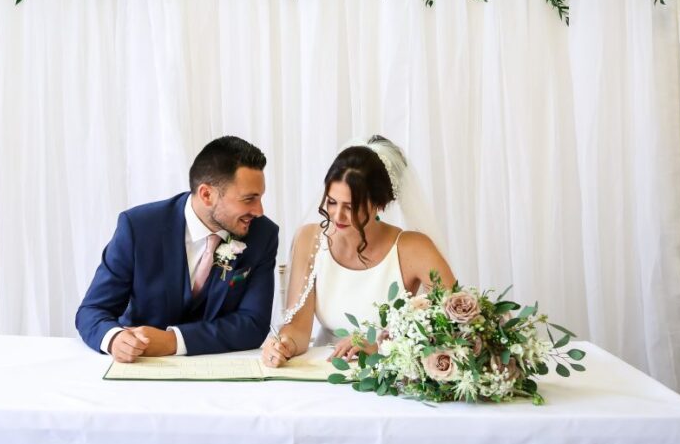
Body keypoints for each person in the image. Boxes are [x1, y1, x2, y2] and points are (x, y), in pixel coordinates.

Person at [76, 136, 278, 363]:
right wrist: (114, 339)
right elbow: (92, 310)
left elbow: (253, 324)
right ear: (207, 194)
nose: (259, 211)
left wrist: (174, 341)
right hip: (142, 366)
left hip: (218, 369)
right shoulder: (139, 227)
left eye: (260, 198)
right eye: (249, 199)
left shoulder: (263, 235)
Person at [262, 135, 454, 368]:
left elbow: (454, 326)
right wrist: (284, 344)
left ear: (380, 204)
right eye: (332, 202)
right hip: (326, 369)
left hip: (390, 371)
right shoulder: (309, 239)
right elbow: (299, 327)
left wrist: (382, 344)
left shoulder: (414, 248)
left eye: (350, 207)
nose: (337, 216)